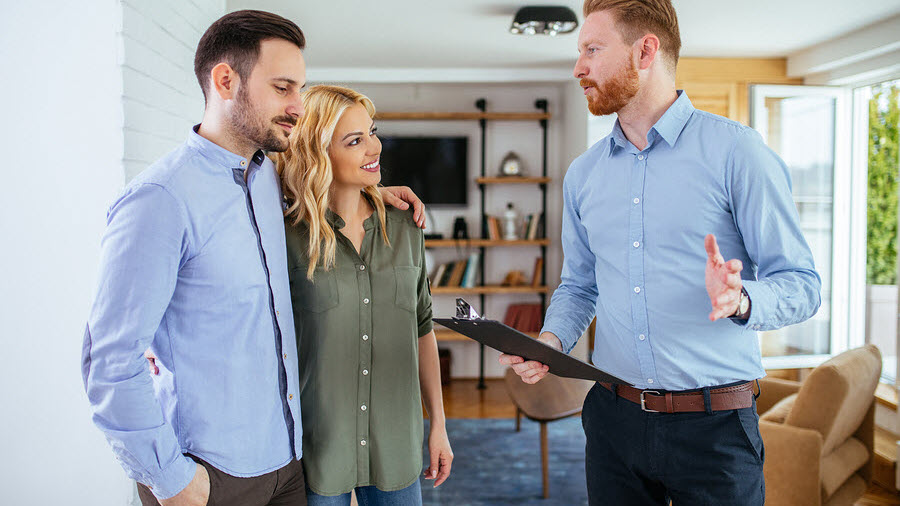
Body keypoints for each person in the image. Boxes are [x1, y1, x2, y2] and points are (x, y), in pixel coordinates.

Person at [81, 11, 424, 506]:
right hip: (210, 473)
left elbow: (322, 179)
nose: (298, 106)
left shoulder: (267, 177)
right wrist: (170, 479)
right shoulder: (160, 200)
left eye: (300, 90)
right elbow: (110, 361)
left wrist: (372, 189)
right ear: (225, 80)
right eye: (283, 88)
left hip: (287, 464)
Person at [500, 0, 821, 504]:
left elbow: (803, 284)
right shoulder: (583, 175)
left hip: (714, 431)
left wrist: (742, 299)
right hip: (612, 419)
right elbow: (580, 285)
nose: (578, 67)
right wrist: (551, 341)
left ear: (645, 51)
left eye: (592, 49)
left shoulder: (738, 152)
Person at [274, 84, 452, 506]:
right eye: (354, 140)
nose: (374, 147)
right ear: (319, 153)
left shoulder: (406, 227)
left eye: (372, 132)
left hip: (396, 445)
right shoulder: (287, 236)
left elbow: (422, 328)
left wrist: (439, 425)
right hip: (318, 451)